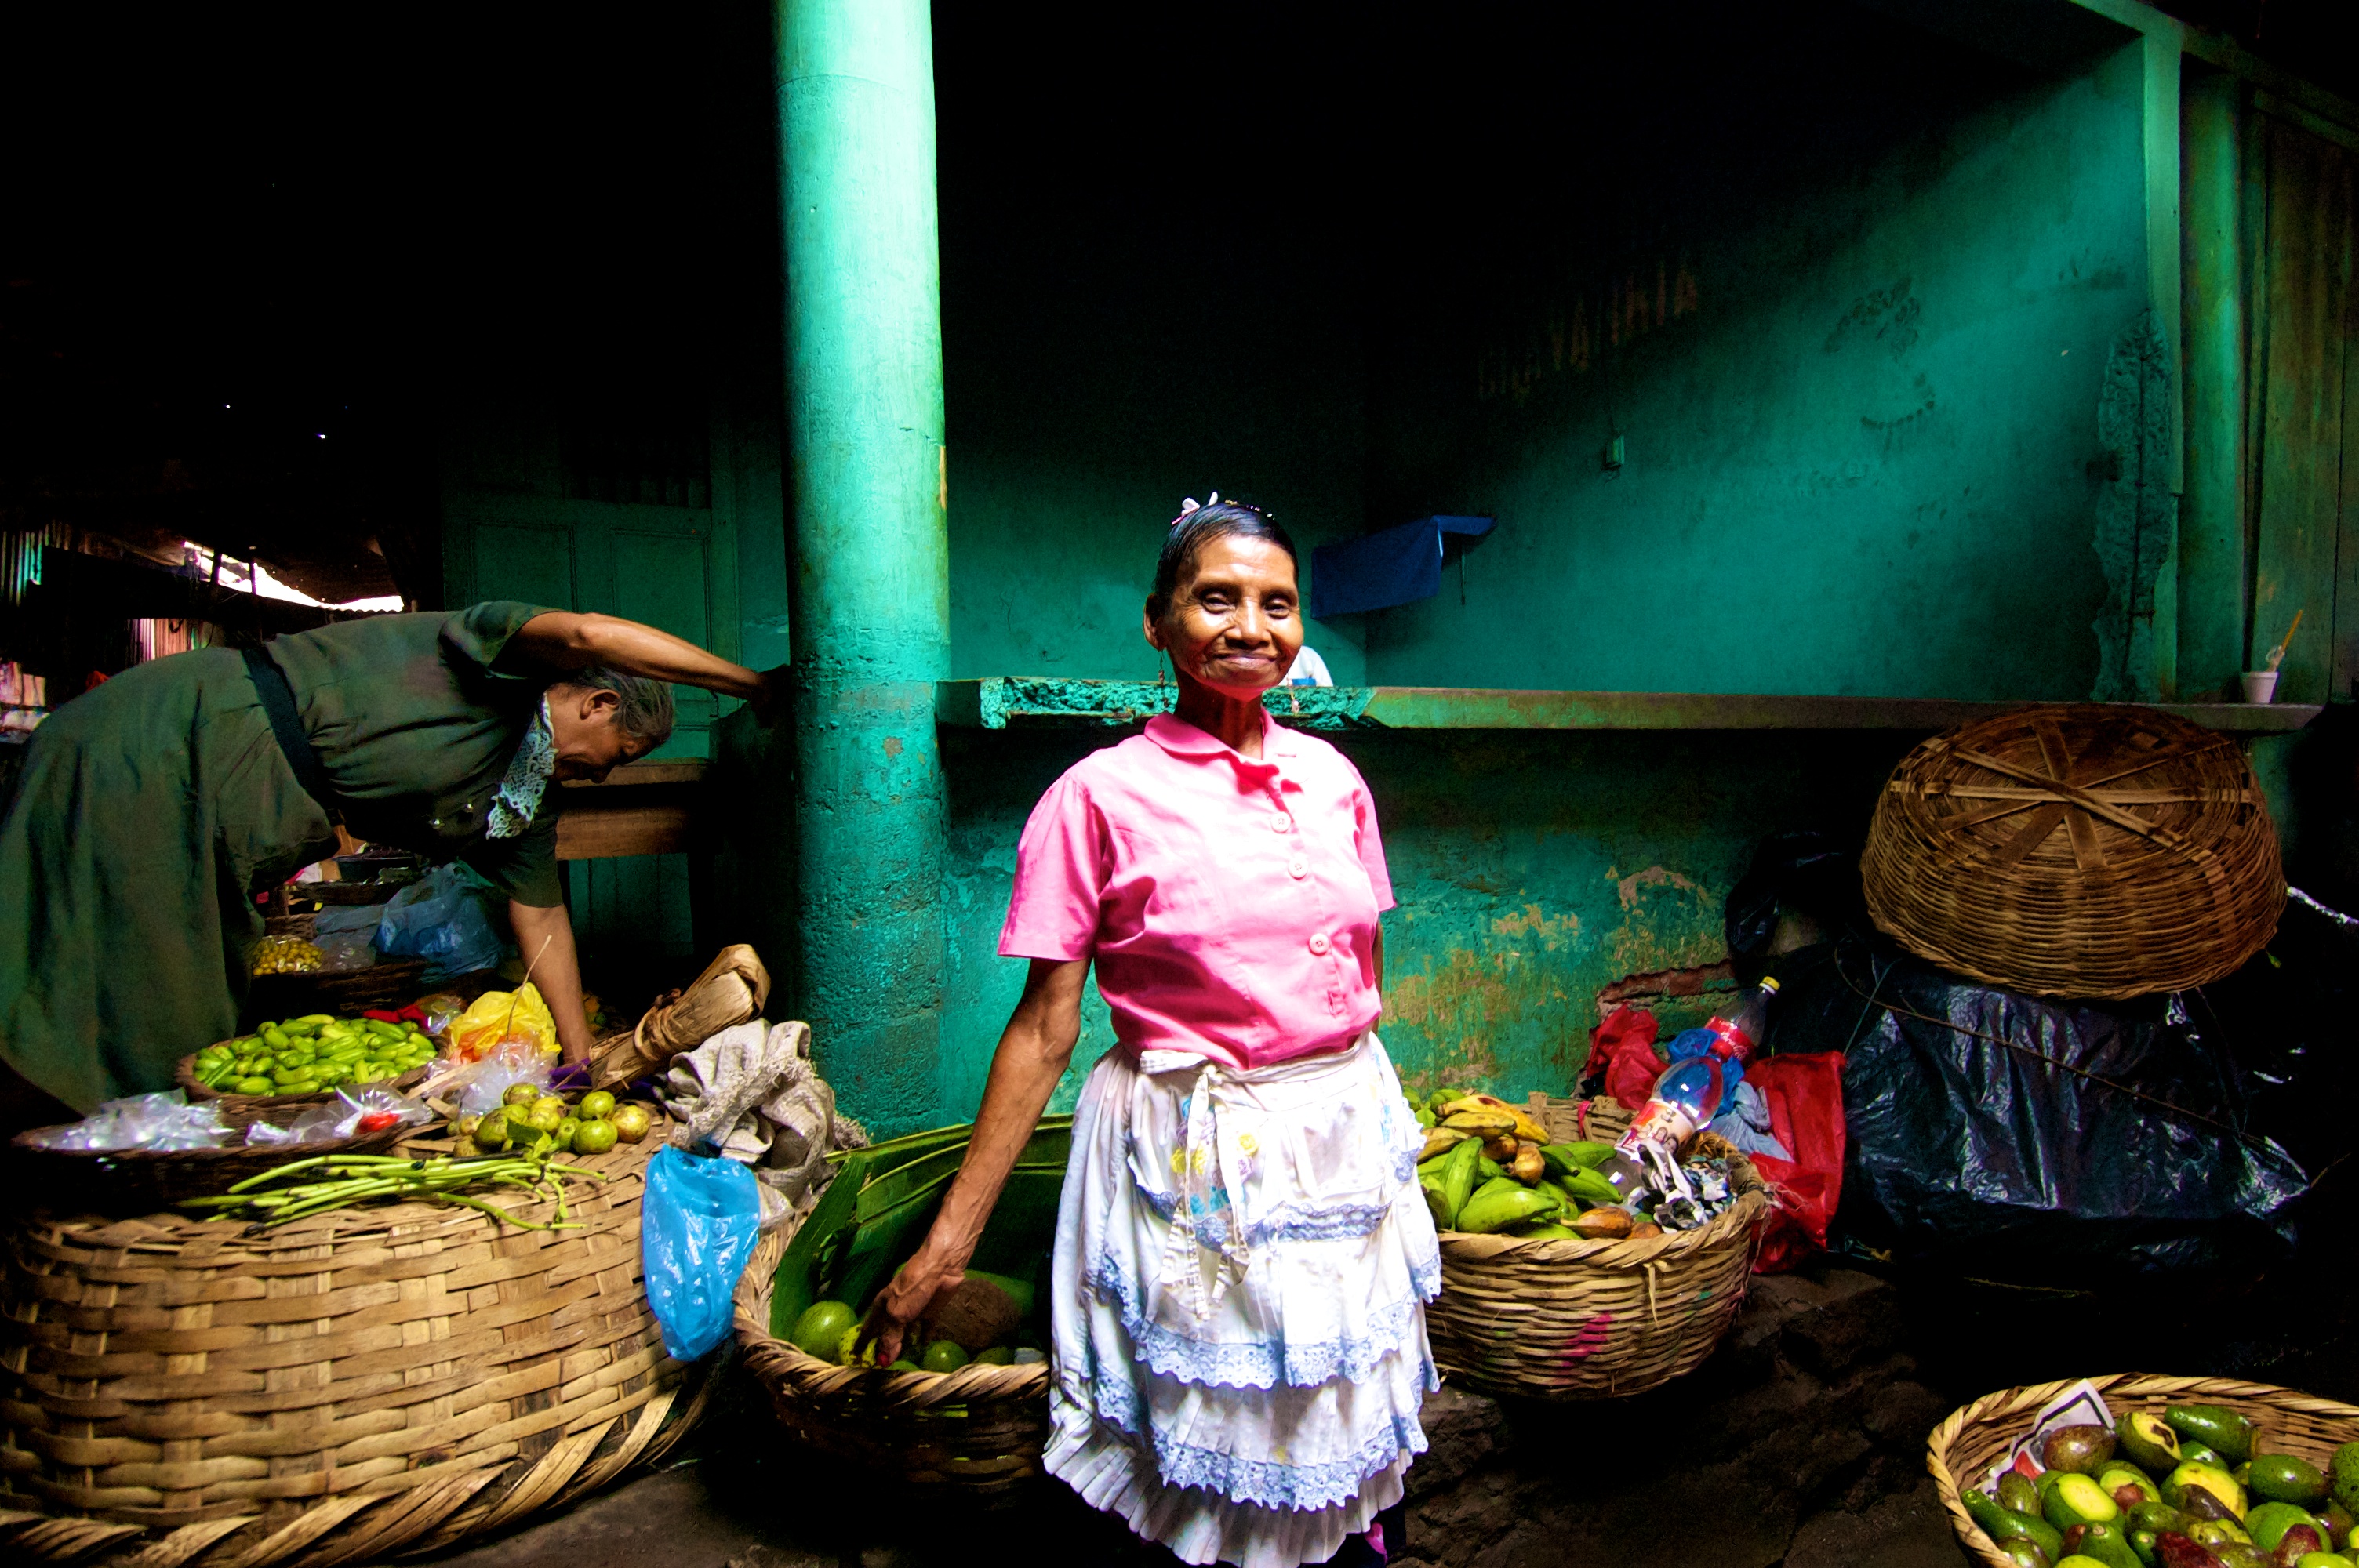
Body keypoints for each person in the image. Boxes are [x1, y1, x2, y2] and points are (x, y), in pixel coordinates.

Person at [864, 499, 1436, 1568]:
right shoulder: (1098, 798)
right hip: (1193, 1160)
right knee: (1203, 1440)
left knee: (1339, 1423)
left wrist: (1348, 1105)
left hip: (1339, 1150)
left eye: (1277, 603)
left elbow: (1360, 968)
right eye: (1215, 598)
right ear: (1157, 622)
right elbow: (1043, 1031)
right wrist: (950, 1244)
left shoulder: (1335, 783)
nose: (1251, 626)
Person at [0, 601, 773, 1119]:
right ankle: (97, 1165)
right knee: (136, 994)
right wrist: (748, 686)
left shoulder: (525, 793)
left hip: (220, 809)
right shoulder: (499, 658)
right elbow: (588, 636)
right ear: (598, 705)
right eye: (622, 752)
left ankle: (124, 1148)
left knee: (187, 993)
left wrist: (578, 1064)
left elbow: (540, 916)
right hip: (169, 746)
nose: (608, 770)